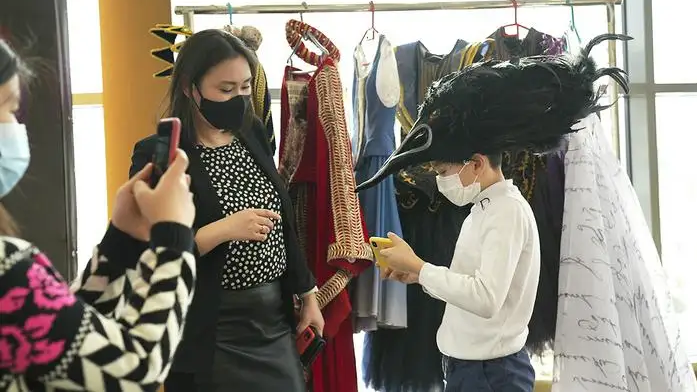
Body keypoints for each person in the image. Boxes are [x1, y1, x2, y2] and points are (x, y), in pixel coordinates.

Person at [354, 34, 631, 392]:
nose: (440, 180)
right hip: (472, 370)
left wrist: (421, 268)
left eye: (443, 171)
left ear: (476, 163)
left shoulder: (506, 213)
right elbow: (470, 288)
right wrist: (417, 275)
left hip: (490, 375)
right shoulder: (484, 209)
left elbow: (485, 298)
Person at [0, 39, 197, 390]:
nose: (16, 126)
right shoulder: (6, 270)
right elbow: (135, 372)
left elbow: (60, 339)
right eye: (10, 110)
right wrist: (173, 239)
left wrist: (120, 245)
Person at [133, 28, 323, 392]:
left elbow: (283, 223)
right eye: (225, 89)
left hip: (273, 321)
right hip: (208, 329)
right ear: (190, 87)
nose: (238, 98)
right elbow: (149, 253)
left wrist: (308, 294)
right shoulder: (161, 154)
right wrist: (222, 230)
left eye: (245, 87)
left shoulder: (251, 132)